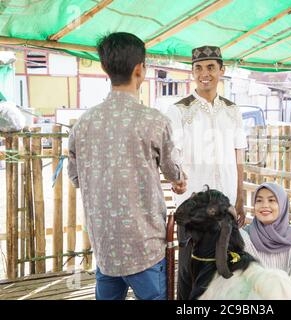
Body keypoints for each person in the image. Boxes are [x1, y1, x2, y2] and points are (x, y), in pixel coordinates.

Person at [67, 32, 186, 300]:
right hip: (145, 245)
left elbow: (76, 177)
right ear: (139, 70)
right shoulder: (154, 121)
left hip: (106, 245)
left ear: (104, 68)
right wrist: (179, 179)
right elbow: (172, 170)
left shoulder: (84, 123)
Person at [165, 45, 247, 299]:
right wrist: (177, 183)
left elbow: (239, 154)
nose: (205, 73)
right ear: (192, 73)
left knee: (226, 267)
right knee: (191, 270)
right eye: (198, 68)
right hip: (193, 208)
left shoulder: (233, 111)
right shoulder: (178, 110)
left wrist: (240, 196)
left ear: (221, 70)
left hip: (227, 207)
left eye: (211, 67)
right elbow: (170, 157)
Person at [240, 182, 291, 300]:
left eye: (271, 200)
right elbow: (246, 278)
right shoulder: (244, 236)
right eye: (259, 200)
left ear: (282, 205)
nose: (264, 205)